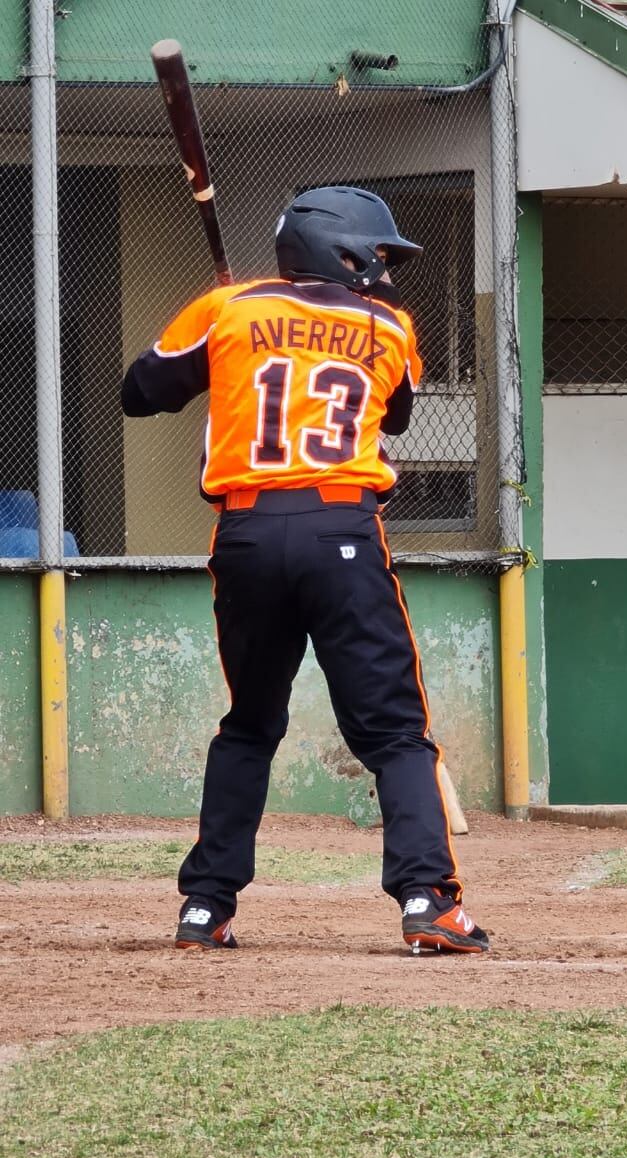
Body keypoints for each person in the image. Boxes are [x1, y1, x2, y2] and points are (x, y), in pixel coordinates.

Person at [121, 186, 489, 957]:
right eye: (378, 257)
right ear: (341, 251)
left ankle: (203, 909)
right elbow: (394, 415)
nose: (386, 274)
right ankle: (428, 899)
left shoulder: (228, 308)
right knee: (394, 733)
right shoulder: (390, 326)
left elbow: (140, 392)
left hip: (246, 535)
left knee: (249, 725)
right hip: (342, 532)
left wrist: (229, 332)